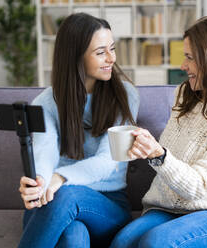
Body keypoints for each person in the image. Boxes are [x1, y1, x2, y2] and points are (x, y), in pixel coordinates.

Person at [110, 16, 207, 248]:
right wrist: (147, 148)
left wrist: (158, 155)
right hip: (169, 208)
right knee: (122, 242)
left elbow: (199, 186)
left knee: (157, 243)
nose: (183, 66)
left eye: (190, 58)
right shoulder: (186, 95)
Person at [18, 13, 139, 248]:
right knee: (73, 236)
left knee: (66, 195)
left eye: (112, 49)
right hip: (55, 202)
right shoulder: (45, 102)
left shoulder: (126, 95)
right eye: (101, 52)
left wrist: (60, 178)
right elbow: (45, 153)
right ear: (76, 56)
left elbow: (109, 161)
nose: (112, 58)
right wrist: (40, 183)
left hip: (108, 204)